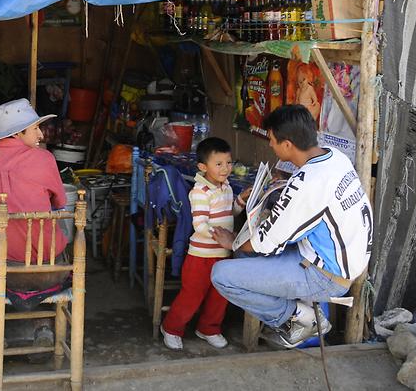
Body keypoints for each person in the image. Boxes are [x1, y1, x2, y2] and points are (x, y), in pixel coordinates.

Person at [210, 105, 373, 348]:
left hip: (327, 277)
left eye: (273, 140)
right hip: (346, 259)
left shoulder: (309, 183)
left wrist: (233, 240)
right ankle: (297, 311)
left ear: (287, 145)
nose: (271, 146)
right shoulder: (334, 156)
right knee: (247, 254)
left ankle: (298, 318)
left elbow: (264, 244)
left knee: (222, 274)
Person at [0, 98, 67, 348]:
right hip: (51, 271)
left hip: (6, 272)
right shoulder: (44, 160)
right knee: (52, 245)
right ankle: (42, 326)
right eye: (35, 129)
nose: (41, 134)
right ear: (18, 133)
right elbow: (60, 202)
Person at [160, 137, 241, 351]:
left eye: (229, 163)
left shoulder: (227, 187)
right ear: (203, 167)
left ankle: (208, 328)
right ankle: (171, 328)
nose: (226, 168)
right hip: (200, 257)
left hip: (222, 255)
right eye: (219, 164)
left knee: (219, 295)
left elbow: (228, 214)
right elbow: (200, 225)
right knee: (191, 296)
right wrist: (221, 236)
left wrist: (240, 203)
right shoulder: (199, 192)